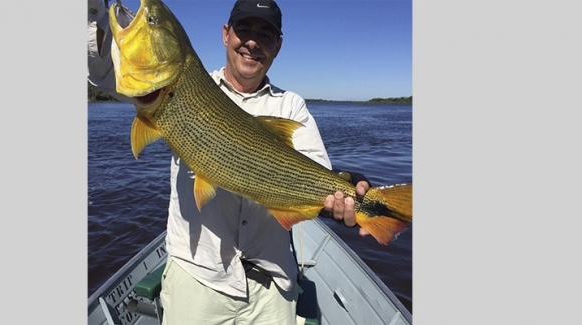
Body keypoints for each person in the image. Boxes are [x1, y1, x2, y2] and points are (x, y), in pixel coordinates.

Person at [88, 0, 371, 323]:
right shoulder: (182, 82)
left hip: (272, 287)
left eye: (265, 34)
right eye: (244, 29)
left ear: (277, 46)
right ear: (226, 34)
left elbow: (315, 177)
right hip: (197, 278)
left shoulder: (292, 107)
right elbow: (101, 68)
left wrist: (347, 191)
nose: (252, 41)